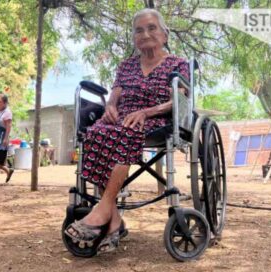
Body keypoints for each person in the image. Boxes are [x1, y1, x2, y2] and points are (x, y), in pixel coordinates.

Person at [65, 8, 189, 252]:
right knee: (96, 133)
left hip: (156, 119)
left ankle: (103, 210)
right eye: (139, 30)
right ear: (134, 38)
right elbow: (115, 96)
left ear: (164, 34)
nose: (145, 34)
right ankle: (114, 221)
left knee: (126, 131)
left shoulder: (178, 64)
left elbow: (179, 100)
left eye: (151, 28)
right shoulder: (127, 66)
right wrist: (110, 107)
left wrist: (146, 112)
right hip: (122, 119)